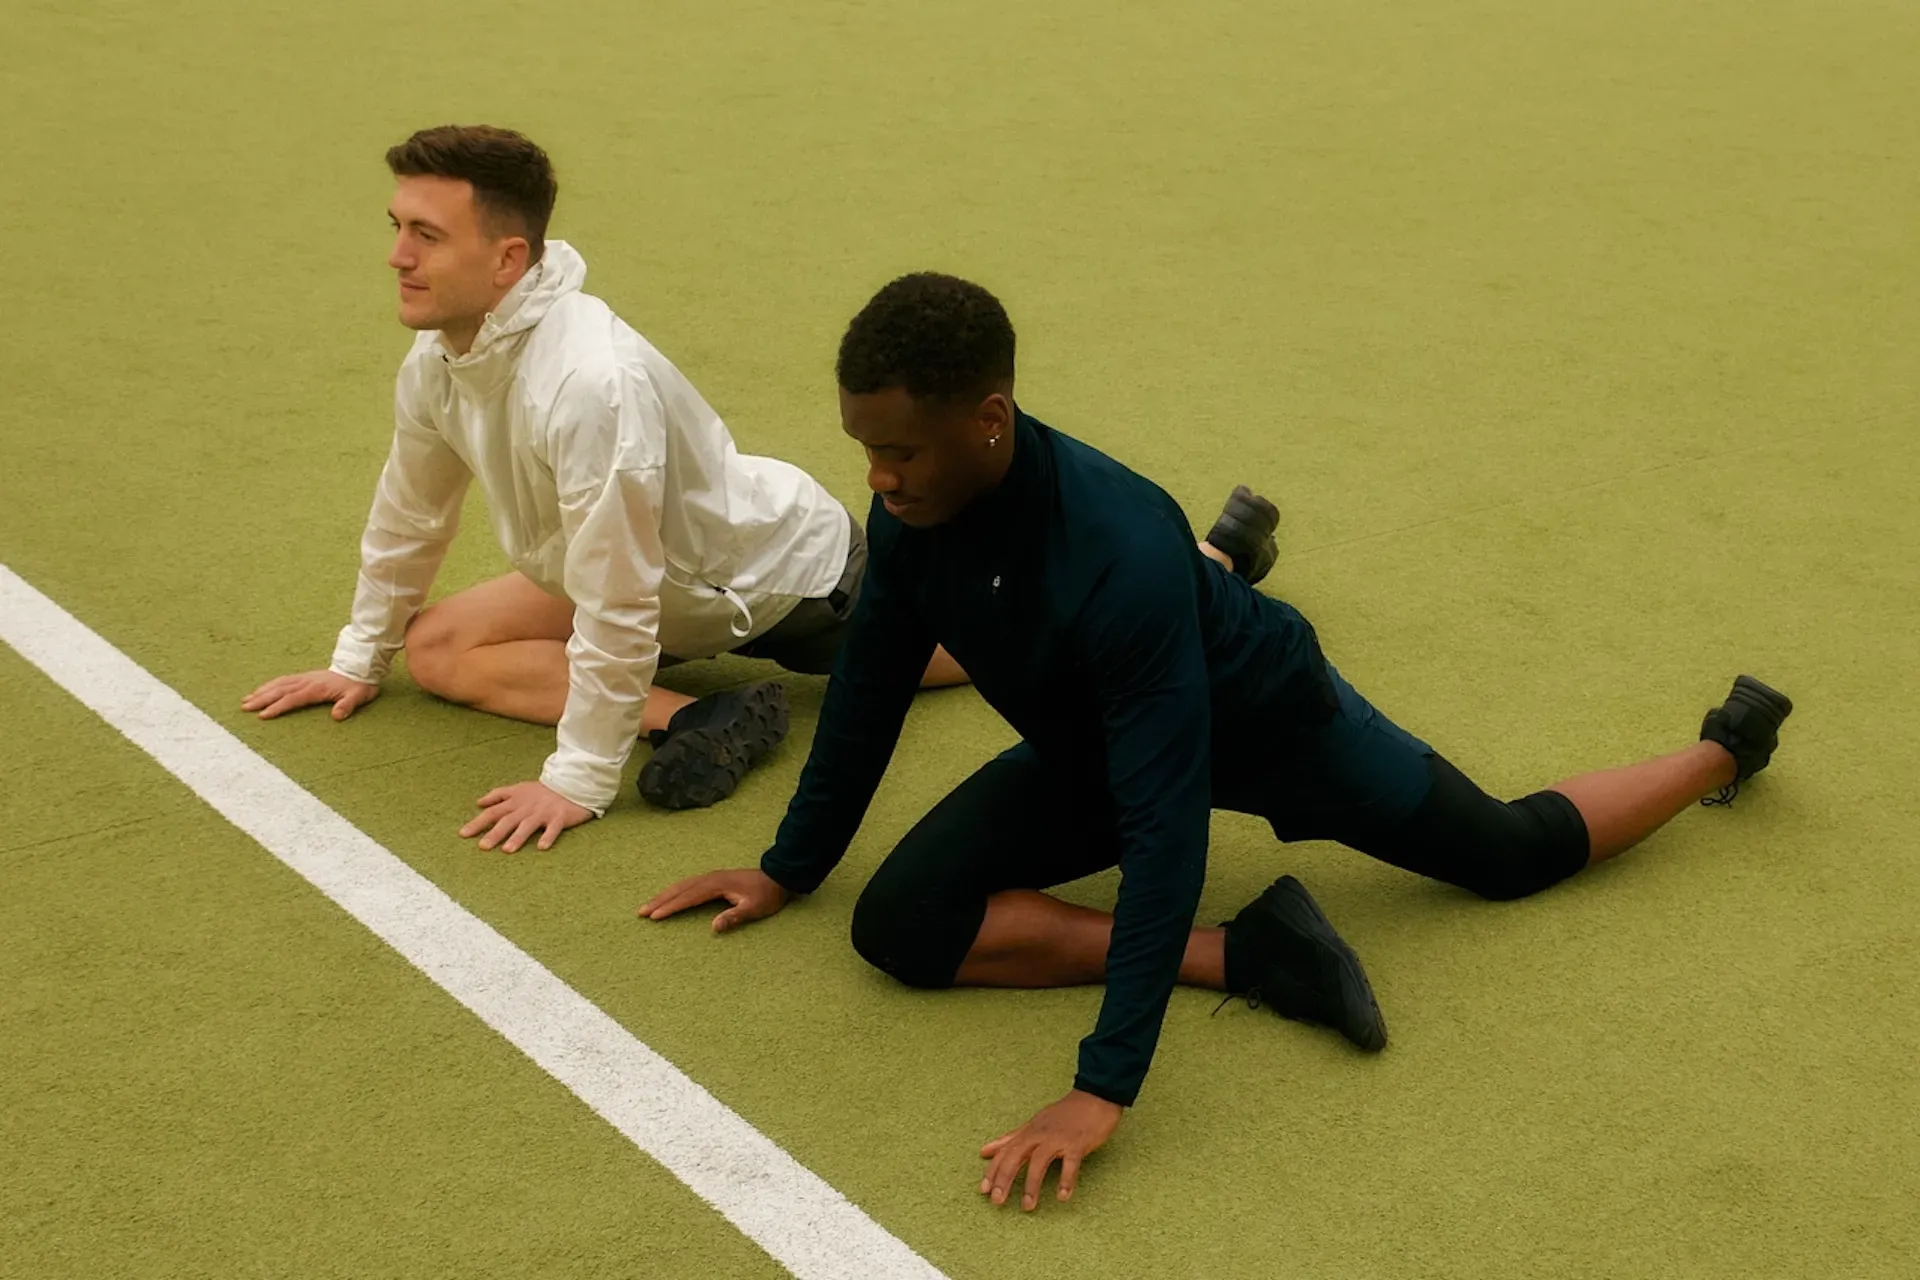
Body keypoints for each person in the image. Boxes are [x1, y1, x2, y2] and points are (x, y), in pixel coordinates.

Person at [639, 272, 1794, 1212]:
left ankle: (1723, 752)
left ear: (989, 418)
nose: (879, 478)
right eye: (865, 448)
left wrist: (1103, 1085)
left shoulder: (1117, 547)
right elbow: (867, 694)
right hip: (1096, 730)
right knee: (897, 927)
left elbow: (1164, 823)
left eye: (902, 450)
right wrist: (789, 866)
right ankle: (1255, 944)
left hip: (1271, 720)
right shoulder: (912, 515)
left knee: (1505, 852)